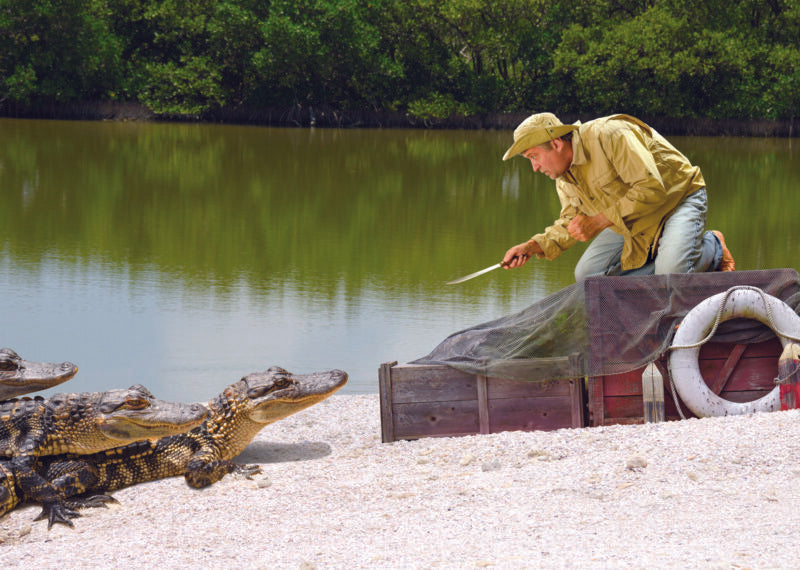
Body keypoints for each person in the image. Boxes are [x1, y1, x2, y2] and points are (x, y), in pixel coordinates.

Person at [501, 112, 735, 281]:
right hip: (631, 218)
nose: (534, 167)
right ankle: (667, 258)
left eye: (534, 156)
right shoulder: (563, 178)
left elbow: (652, 187)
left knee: (670, 272)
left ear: (556, 143)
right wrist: (532, 247)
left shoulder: (611, 135)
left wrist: (598, 221)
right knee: (588, 276)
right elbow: (569, 223)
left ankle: (712, 247)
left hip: (677, 200)